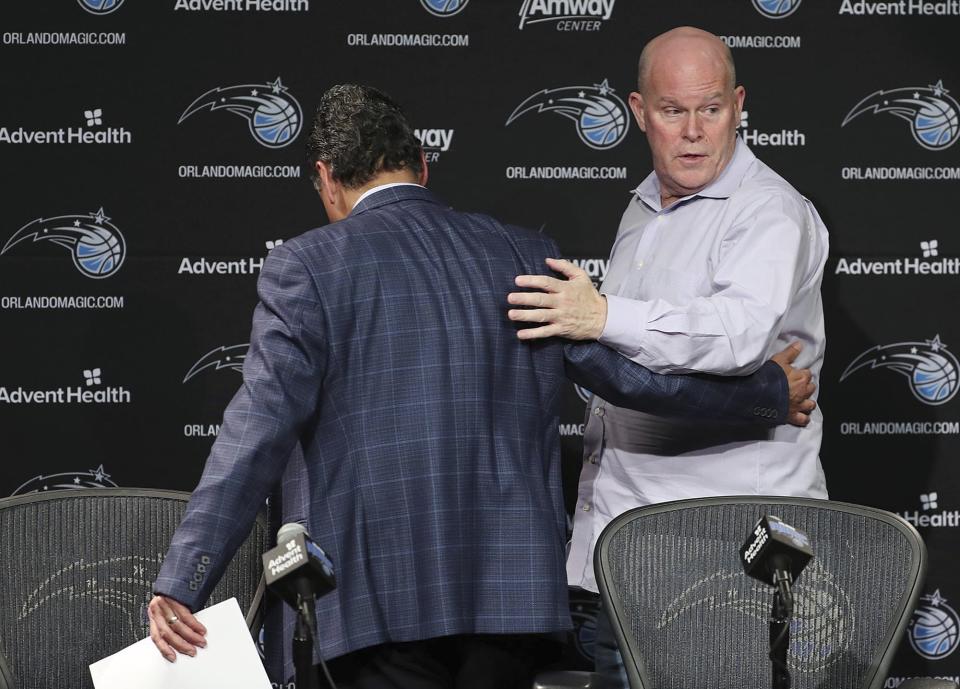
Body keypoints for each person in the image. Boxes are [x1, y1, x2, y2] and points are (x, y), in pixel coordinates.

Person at [146, 84, 813, 689]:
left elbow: (255, 433)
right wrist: (766, 395)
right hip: (511, 602)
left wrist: (184, 579)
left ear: (324, 179)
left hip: (375, 599)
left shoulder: (307, 267)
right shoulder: (521, 255)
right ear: (424, 164)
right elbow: (633, 381)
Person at [507, 26, 829, 687]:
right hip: (619, 559)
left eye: (710, 109)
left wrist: (602, 315)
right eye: (672, 111)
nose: (693, 132)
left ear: (739, 106)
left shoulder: (768, 211)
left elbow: (735, 338)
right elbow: (638, 370)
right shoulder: (644, 211)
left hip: (720, 566)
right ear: (637, 111)